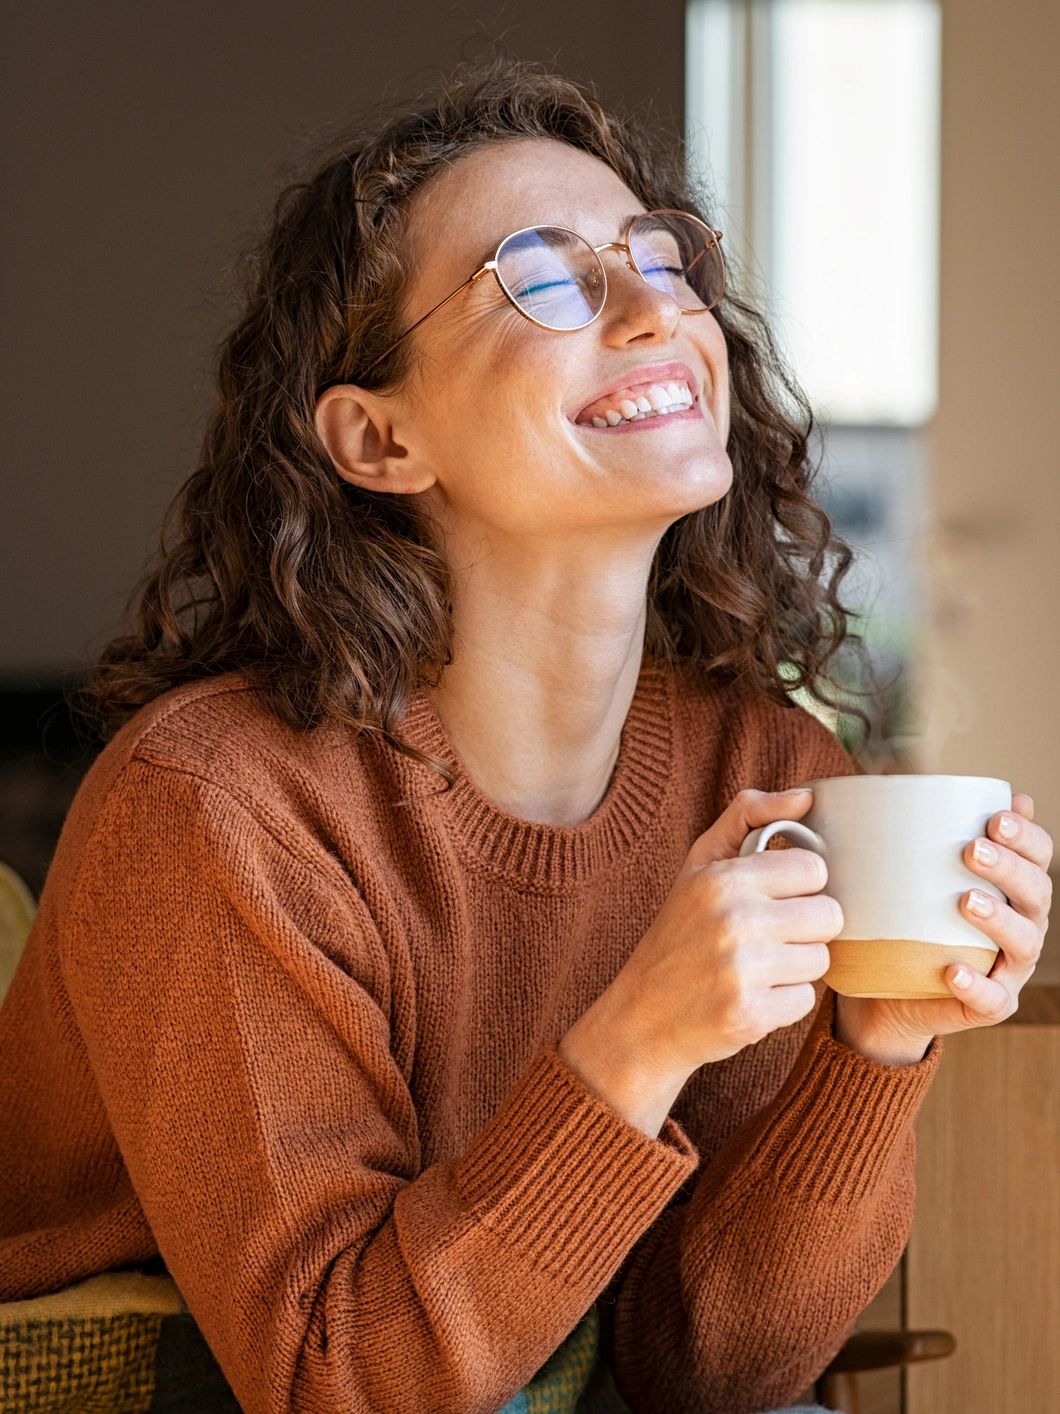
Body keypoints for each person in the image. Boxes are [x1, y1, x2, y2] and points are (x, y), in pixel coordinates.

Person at [0, 53, 1051, 1414]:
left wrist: (877, 1045)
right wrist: (637, 1039)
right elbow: (333, 1378)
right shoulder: (217, 805)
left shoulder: (767, 775)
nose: (654, 310)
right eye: (545, 278)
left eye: (662, 259)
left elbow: (705, 1374)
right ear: (379, 440)